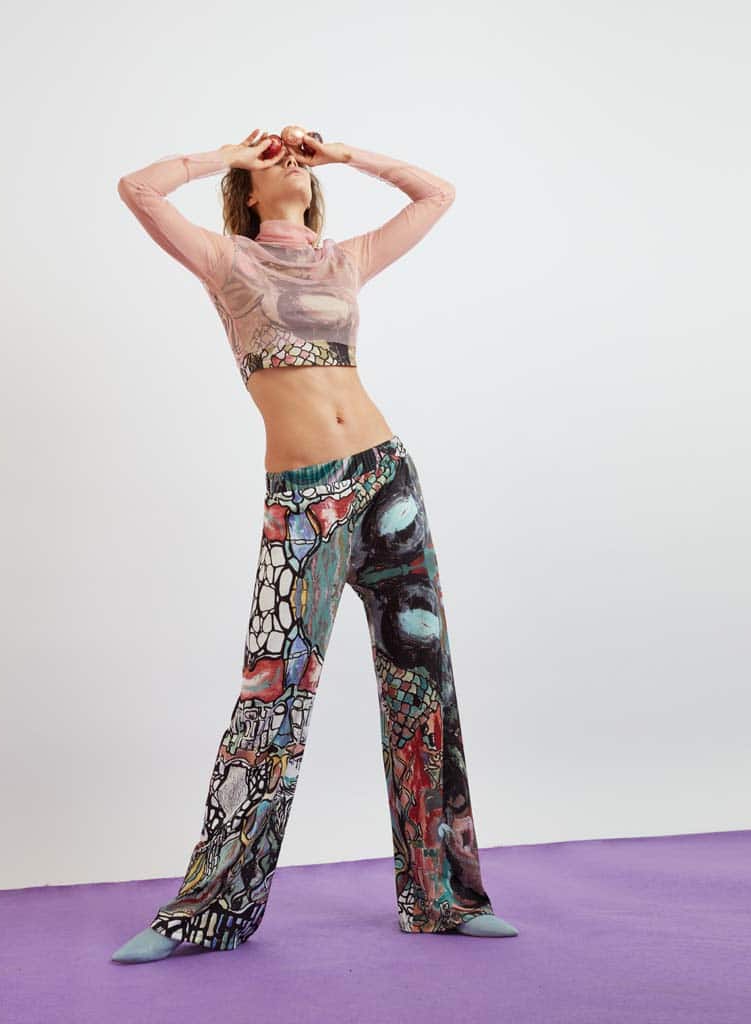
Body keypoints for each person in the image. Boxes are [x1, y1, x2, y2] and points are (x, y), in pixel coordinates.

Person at [110, 128, 518, 962]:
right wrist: (230, 153)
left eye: (298, 162)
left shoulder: (345, 260)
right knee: (271, 699)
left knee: (421, 686)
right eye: (274, 164)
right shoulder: (226, 260)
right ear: (247, 190)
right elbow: (138, 189)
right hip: (304, 502)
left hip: (387, 480)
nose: (289, 164)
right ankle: (204, 914)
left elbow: (436, 193)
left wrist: (345, 156)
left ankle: (443, 898)